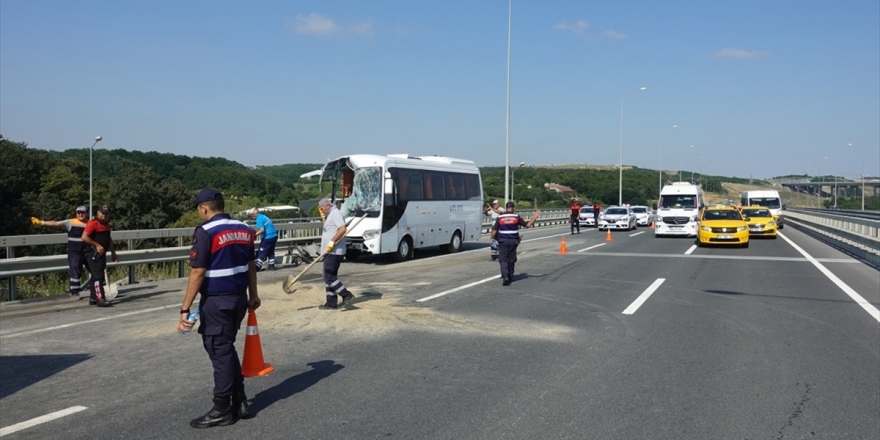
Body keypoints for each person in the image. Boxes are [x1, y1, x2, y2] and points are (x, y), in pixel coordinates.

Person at [178, 188, 261, 429]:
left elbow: (197, 271)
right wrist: (253, 295)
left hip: (217, 301)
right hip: (239, 299)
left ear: (204, 208)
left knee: (219, 350)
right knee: (226, 348)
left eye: (198, 210)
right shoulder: (244, 229)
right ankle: (240, 400)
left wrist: (185, 308)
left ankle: (222, 408)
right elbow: (251, 265)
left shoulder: (206, 231)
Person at [31, 205, 89, 297]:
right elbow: (55, 223)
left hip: (87, 251)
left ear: (87, 214)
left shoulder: (90, 223)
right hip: (74, 252)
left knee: (95, 270)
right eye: (78, 213)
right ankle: (75, 292)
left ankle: (97, 290)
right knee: (75, 271)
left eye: (82, 213)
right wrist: (41, 222)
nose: (80, 214)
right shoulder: (71, 222)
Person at [317, 198, 355, 310]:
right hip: (329, 251)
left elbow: (342, 229)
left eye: (322, 209)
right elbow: (327, 228)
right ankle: (331, 303)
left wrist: (332, 241)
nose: (322, 211)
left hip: (334, 251)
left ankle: (346, 295)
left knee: (329, 276)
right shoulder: (330, 215)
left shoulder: (335, 213)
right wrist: (323, 216)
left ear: (328, 206)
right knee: (329, 277)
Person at [491, 201, 539, 286]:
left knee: (503, 258)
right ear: (514, 208)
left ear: (506, 208)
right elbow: (528, 225)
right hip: (513, 241)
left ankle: (505, 275)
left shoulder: (500, 217)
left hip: (503, 240)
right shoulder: (516, 217)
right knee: (511, 258)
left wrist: (492, 239)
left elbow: (494, 230)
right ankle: (510, 274)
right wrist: (535, 217)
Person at [81, 205, 117, 307]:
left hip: (102, 253)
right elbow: (84, 237)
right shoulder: (93, 223)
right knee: (98, 276)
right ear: (98, 213)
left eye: (106, 213)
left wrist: (113, 252)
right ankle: (100, 298)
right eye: (102, 213)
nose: (104, 215)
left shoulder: (107, 225)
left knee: (96, 275)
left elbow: (109, 239)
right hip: (93, 253)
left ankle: (93, 298)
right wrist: (97, 245)